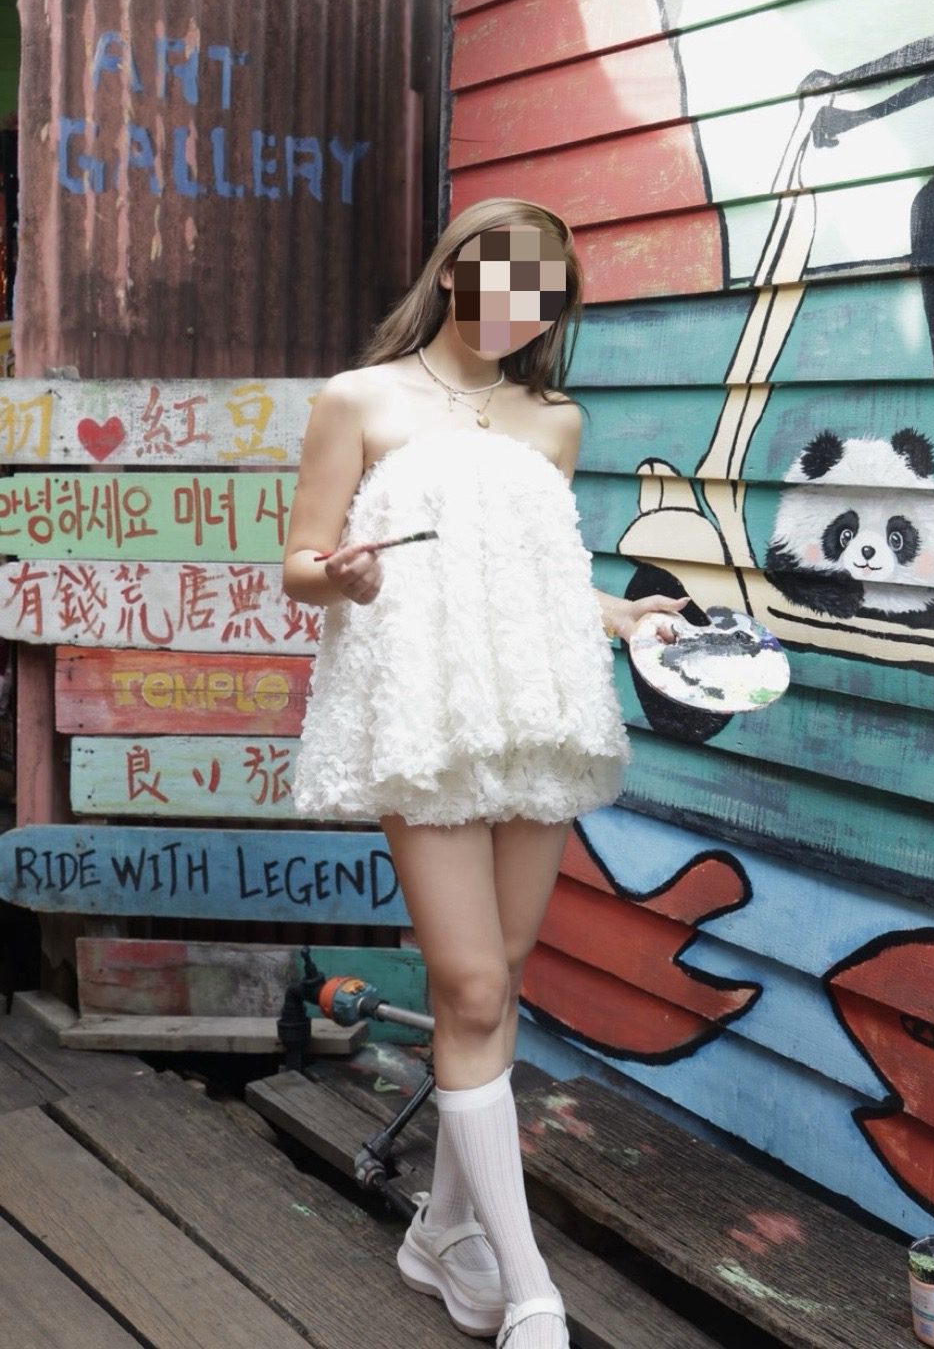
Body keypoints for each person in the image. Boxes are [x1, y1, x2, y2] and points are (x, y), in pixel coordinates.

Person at [282, 196, 689, 1348]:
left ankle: (437, 1231)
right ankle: (530, 1290)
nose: (521, 300)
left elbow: (544, 578)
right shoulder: (360, 398)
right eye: (504, 273)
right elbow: (300, 564)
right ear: (457, 270)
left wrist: (634, 618)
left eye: (545, 287)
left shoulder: (551, 419)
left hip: (535, 710)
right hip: (423, 711)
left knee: (498, 978)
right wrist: (344, 578)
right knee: (467, 987)